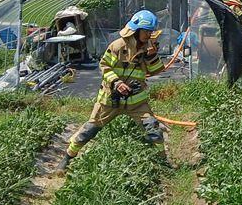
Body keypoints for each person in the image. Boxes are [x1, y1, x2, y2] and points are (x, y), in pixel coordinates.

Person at [59, 9, 166, 171]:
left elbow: (156, 70)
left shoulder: (149, 48)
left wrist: (152, 56)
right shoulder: (117, 46)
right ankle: (68, 158)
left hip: (136, 102)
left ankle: (163, 162)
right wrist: (116, 82)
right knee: (90, 129)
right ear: (136, 31)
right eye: (146, 32)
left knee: (153, 128)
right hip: (110, 99)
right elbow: (104, 66)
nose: (148, 35)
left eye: (151, 32)